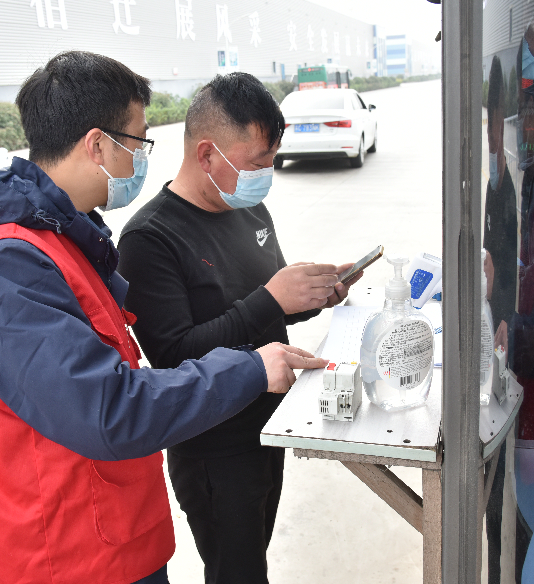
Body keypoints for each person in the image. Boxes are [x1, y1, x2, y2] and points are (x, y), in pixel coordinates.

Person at [0, 51, 326, 584]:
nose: (143, 157)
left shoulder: (62, 239)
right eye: (138, 141)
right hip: (48, 555)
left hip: (98, 531)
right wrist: (249, 368)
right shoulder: (5, 264)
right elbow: (107, 408)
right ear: (97, 145)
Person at [116, 72, 360, 584]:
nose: (265, 176)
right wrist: (271, 297)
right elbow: (175, 356)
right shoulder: (149, 239)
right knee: (237, 573)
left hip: (268, 426)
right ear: (207, 155)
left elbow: (273, 308)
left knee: (254, 562)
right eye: (256, 163)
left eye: (271, 161)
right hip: (215, 450)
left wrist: (315, 295)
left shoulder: (247, 207)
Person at [483, 54, 519, 584]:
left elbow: (515, 259)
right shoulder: (486, 179)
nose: (492, 133)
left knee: (503, 493)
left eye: (496, 121)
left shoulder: (512, 182)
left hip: (509, 335)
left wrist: (505, 314)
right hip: (491, 328)